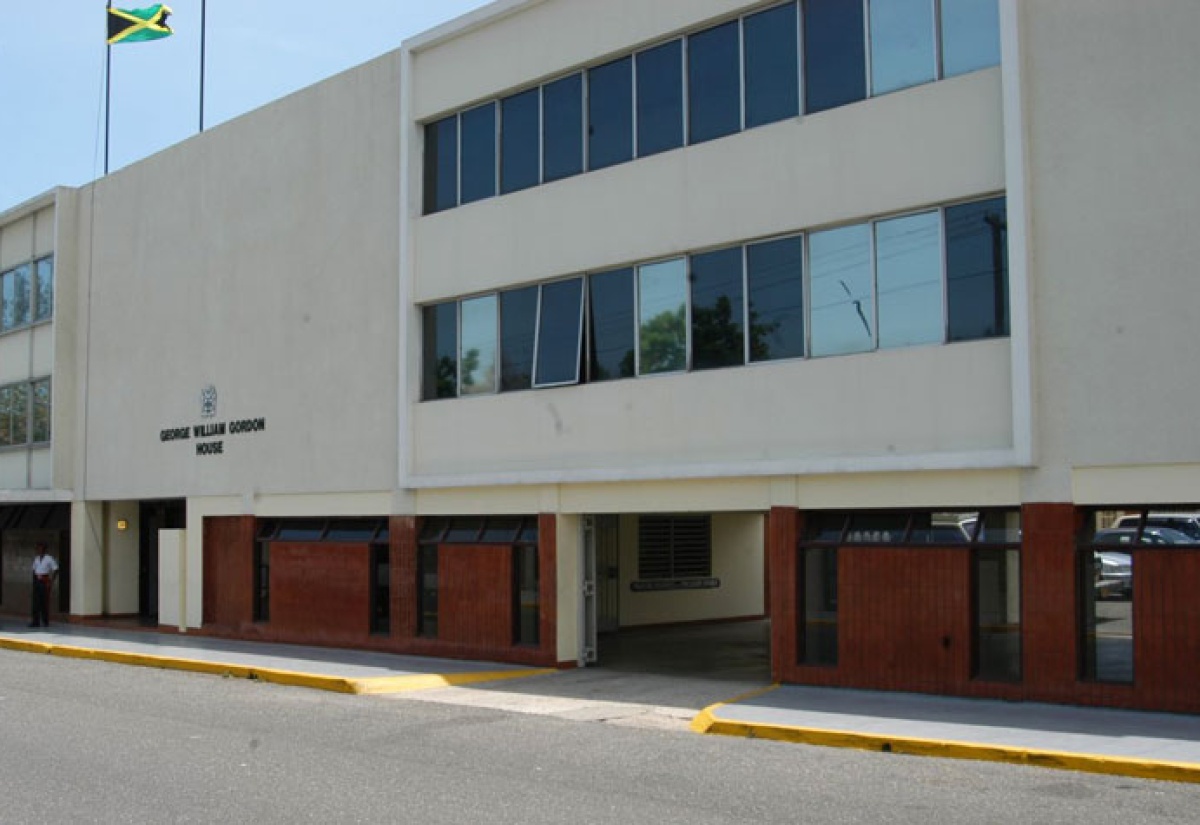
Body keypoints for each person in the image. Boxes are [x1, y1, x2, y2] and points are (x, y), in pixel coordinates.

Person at [29, 544, 58, 628]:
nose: (39, 550)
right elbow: (34, 570)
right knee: (35, 602)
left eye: (41, 549)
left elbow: (56, 569)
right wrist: (34, 580)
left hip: (44, 580)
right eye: (38, 549)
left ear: (44, 550)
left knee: (44, 601)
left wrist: (51, 581)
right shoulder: (36, 559)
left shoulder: (49, 558)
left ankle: (45, 621)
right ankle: (35, 621)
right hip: (37, 580)